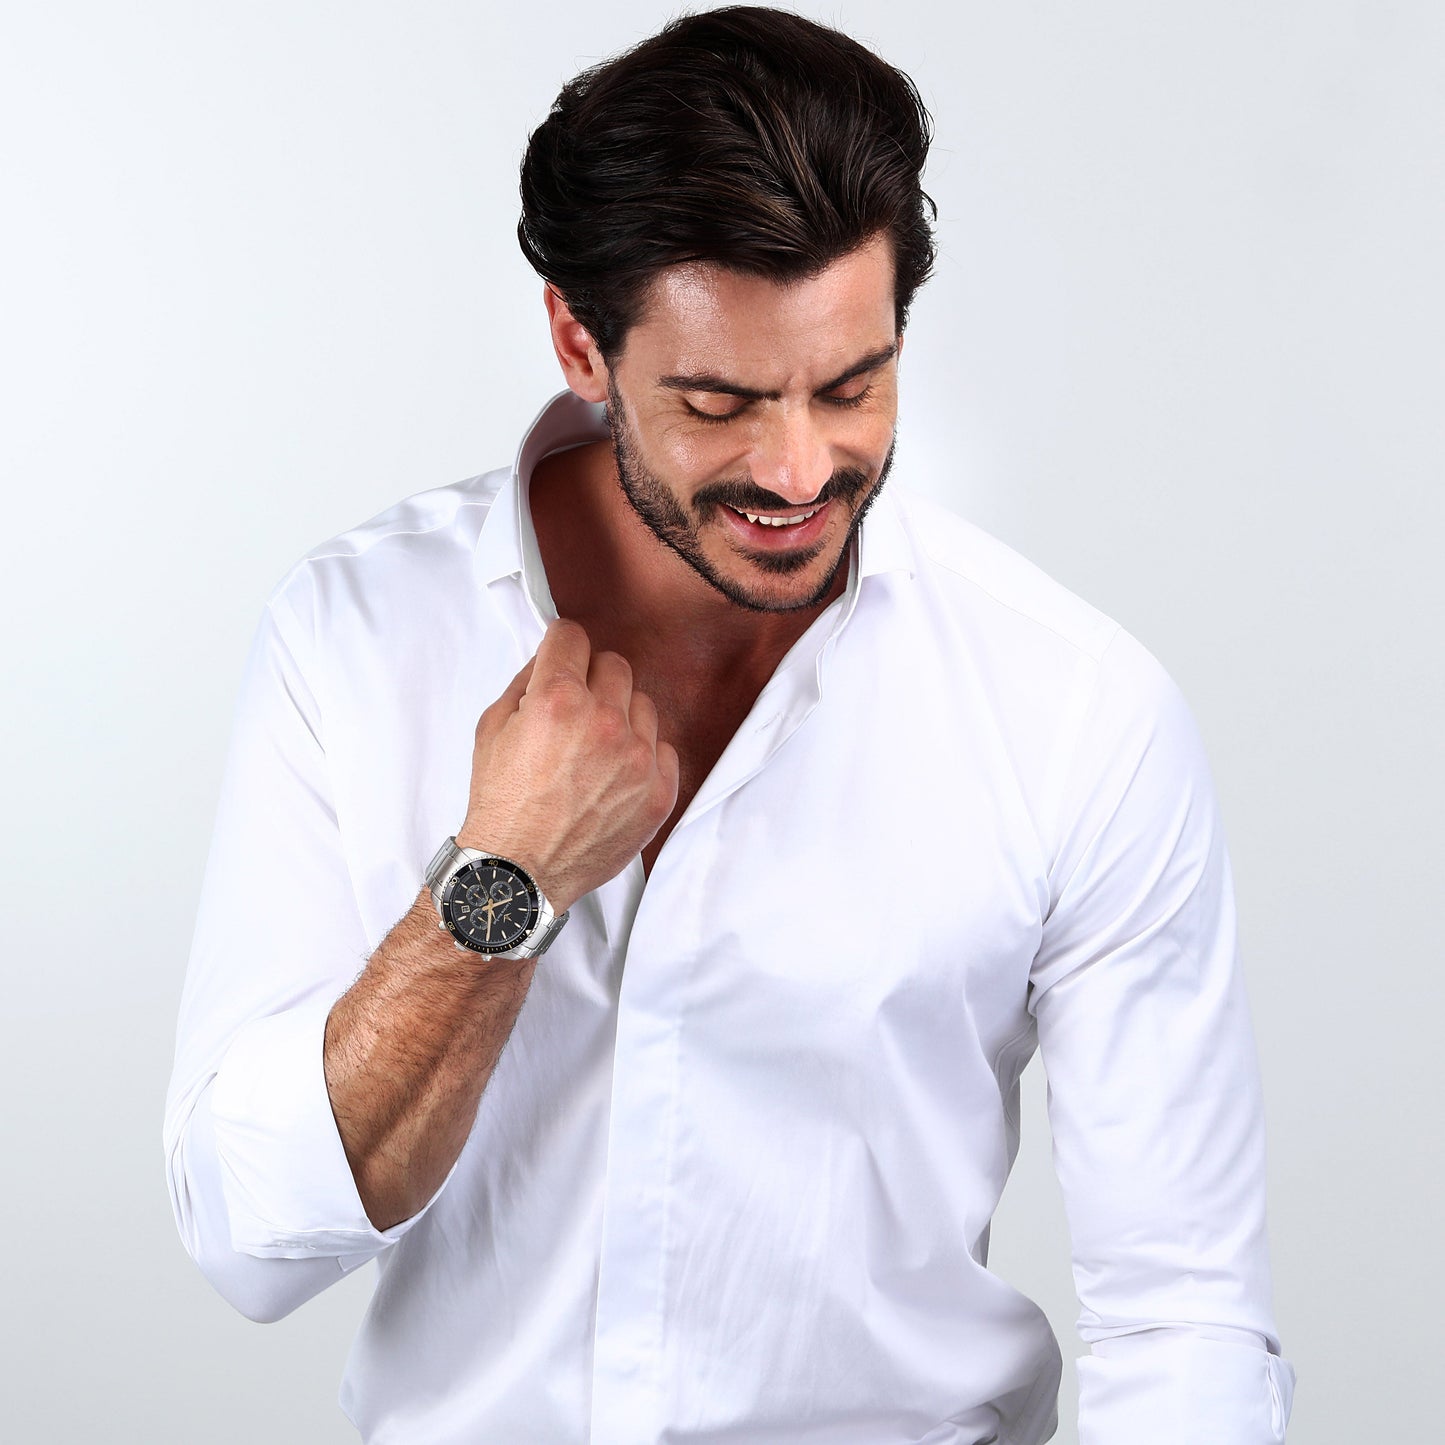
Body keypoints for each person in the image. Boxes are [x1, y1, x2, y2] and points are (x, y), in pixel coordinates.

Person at [165, 8, 1294, 1442]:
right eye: (719, 401)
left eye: (851, 385)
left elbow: (1183, 1312)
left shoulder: (1076, 712)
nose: (799, 469)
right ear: (579, 342)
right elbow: (250, 1237)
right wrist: (500, 882)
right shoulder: (356, 636)